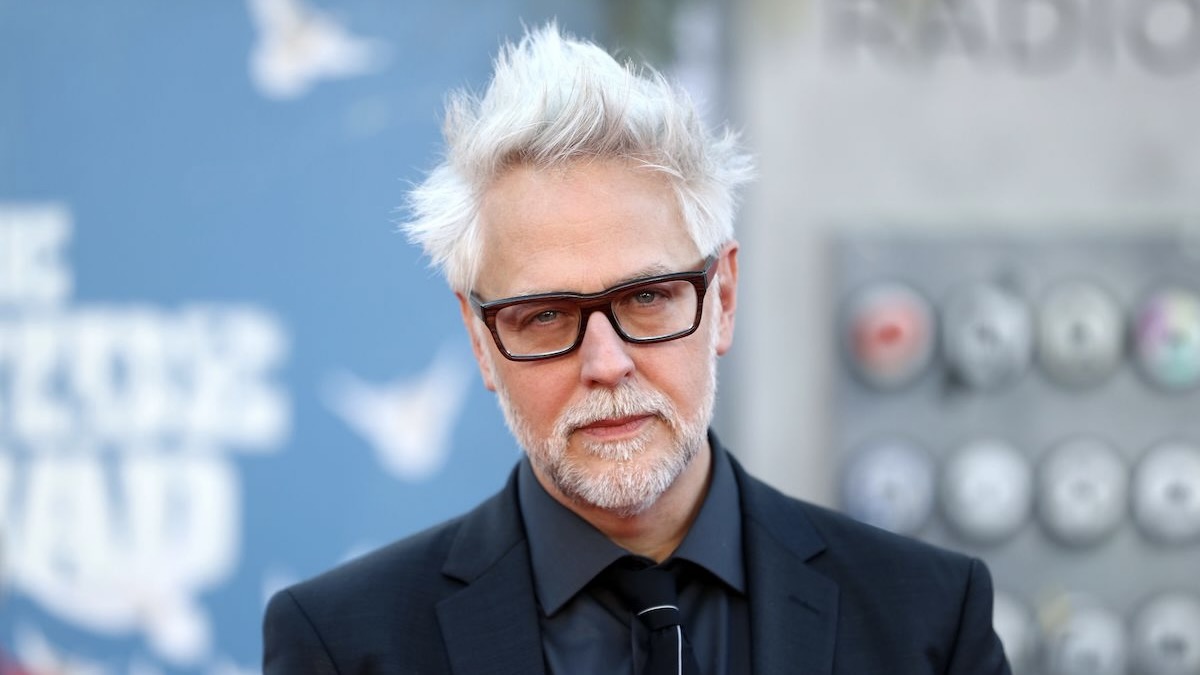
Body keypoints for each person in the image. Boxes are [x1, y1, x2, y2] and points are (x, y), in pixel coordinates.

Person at [262, 23, 1011, 675]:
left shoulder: (927, 620)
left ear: (721, 297)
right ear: (480, 342)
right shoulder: (345, 645)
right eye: (546, 315)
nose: (606, 363)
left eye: (646, 298)